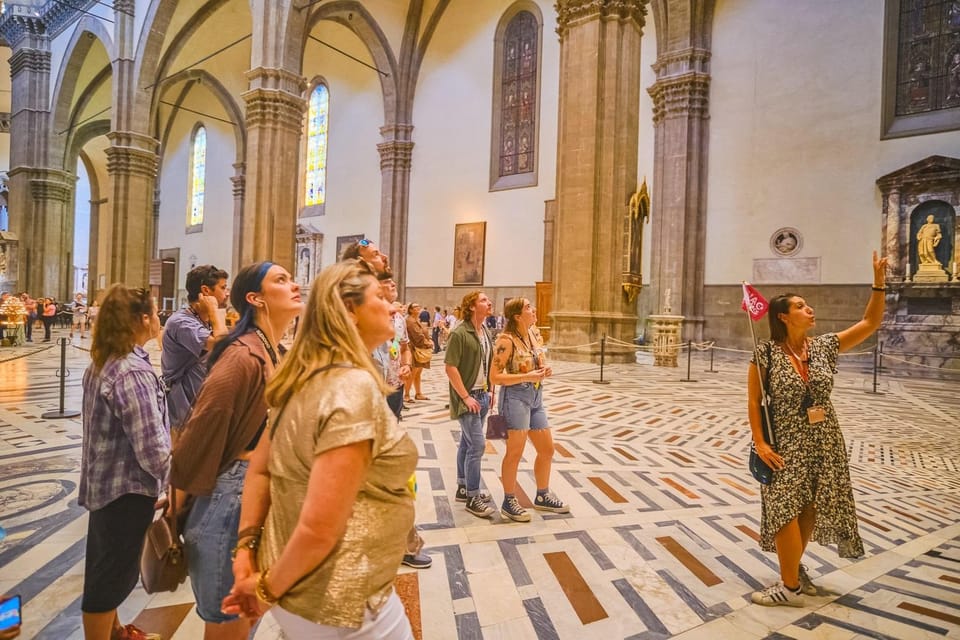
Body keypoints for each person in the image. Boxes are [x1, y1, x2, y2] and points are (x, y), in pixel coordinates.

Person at [222, 260, 417, 639]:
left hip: (297, 580)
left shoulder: (303, 375)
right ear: (350, 310)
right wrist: (264, 591)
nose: (391, 305)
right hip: (342, 595)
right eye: (379, 296)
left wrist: (246, 549)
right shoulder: (352, 387)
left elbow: (261, 470)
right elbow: (319, 528)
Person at [748, 251, 888, 607]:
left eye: (807, 304)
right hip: (785, 442)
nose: (809, 309)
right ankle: (790, 588)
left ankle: (792, 573)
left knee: (809, 508)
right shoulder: (766, 353)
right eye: (800, 306)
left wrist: (878, 283)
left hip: (824, 440)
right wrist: (760, 442)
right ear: (783, 316)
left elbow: (869, 322)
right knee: (783, 508)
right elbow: (754, 400)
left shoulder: (824, 347)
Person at [171, 262, 301, 640]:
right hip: (230, 503)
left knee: (249, 619)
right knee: (230, 627)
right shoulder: (241, 356)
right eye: (281, 280)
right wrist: (175, 513)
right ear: (255, 298)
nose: (294, 285)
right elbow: (199, 435)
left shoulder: (273, 350)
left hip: (256, 498)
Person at [79, 285, 169, 640]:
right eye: (155, 312)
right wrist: (175, 485)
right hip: (126, 490)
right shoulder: (131, 372)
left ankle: (116, 632)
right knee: (110, 577)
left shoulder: (108, 360)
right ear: (143, 319)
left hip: (107, 484)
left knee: (108, 566)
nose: (158, 319)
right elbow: (152, 447)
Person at [490, 298, 569, 521]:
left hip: (536, 397)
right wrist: (527, 376)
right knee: (515, 452)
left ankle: (542, 495)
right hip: (515, 398)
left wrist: (544, 369)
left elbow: (535, 361)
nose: (533, 309)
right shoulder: (506, 340)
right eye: (527, 307)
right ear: (517, 316)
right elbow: (494, 377)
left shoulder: (533, 334)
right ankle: (509, 501)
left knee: (547, 449)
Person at [444, 291, 497, 518]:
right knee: (477, 445)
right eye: (484, 300)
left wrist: (491, 389)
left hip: (482, 395)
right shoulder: (459, 333)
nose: (489, 302)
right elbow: (450, 367)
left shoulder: (485, 331)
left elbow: (488, 363)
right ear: (472, 307)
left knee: (467, 443)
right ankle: (473, 498)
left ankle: (463, 487)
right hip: (468, 398)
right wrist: (465, 397)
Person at [160, 264, 229, 432]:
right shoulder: (181, 322)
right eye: (223, 288)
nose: (227, 293)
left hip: (201, 403)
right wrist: (214, 310)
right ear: (206, 291)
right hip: (183, 407)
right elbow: (222, 344)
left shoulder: (203, 320)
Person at [404, 303, 432, 403]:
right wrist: (428, 343)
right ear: (410, 310)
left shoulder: (416, 319)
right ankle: (406, 394)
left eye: (418, 306)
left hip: (419, 348)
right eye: (415, 307)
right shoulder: (410, 321)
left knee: (418, 373)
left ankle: (418, 393)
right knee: (413, 373)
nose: (418, 308)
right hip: (414, 349)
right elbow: (417, 336)